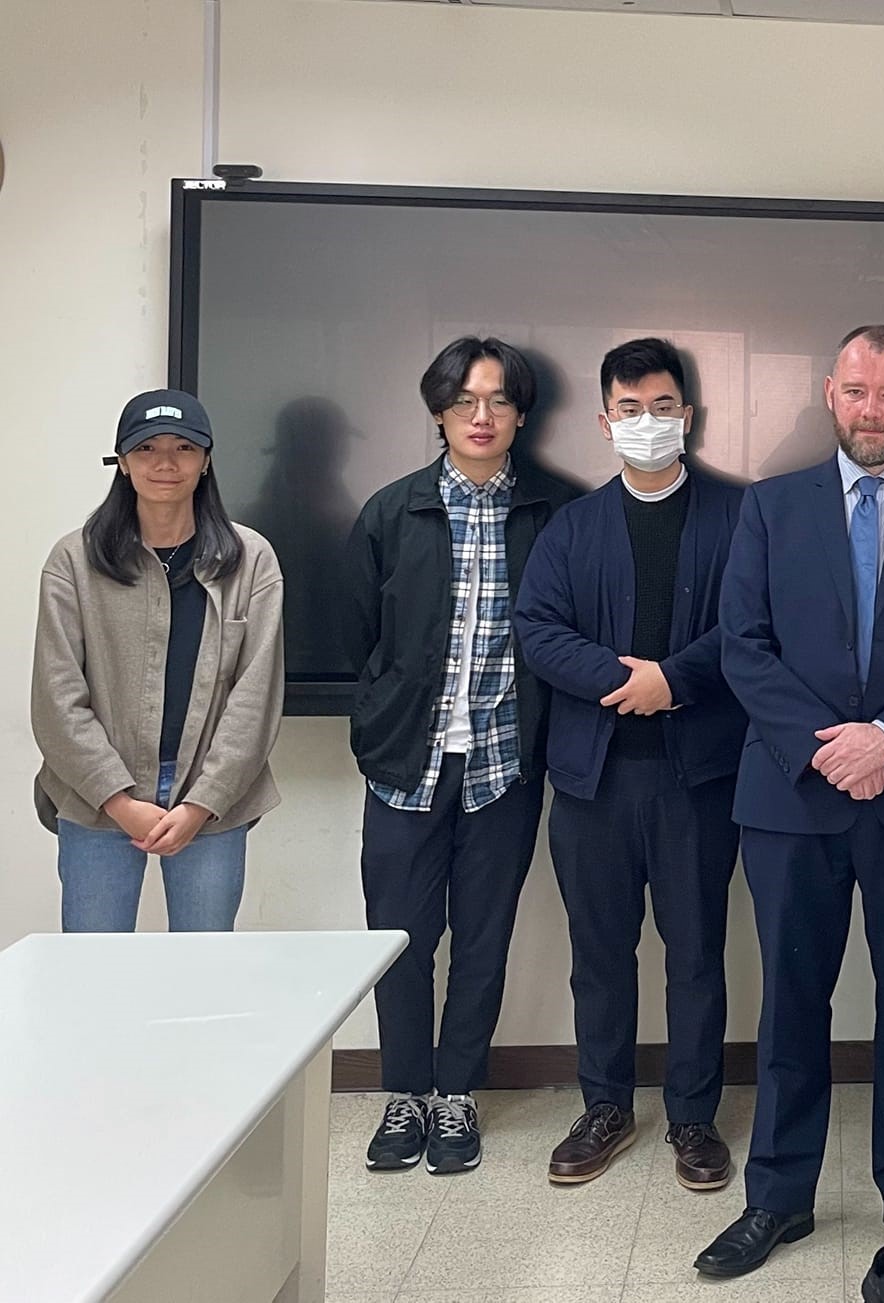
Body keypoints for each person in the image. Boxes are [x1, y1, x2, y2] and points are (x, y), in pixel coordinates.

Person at [698, 325, 884, 1278]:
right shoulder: (771, 508)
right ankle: (778, 1195)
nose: (871, 409)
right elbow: (742, 643)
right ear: (830, 395)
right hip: (795, 793)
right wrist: (830, 749)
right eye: (857, 390)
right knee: (792, 997)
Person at [513, 338, 749, 1189]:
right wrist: (628, 680)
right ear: (606, 418)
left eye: (662, 407)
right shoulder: (572, 525)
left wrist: (675, 681)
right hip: (593, 778)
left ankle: (692, 1117)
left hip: (699, 777)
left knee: (695, 952)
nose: (646, 423)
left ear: (687, 415)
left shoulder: (740, 515)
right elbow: (538, 630)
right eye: (629, 408)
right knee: (600, 951)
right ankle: (605, 1104)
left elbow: (757, 627)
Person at [342, 337, 576, 1176]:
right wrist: (379, 723)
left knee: (483, 938)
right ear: (439, 410)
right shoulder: (391, 510)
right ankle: (403, 1092)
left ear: (522, 414)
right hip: (407, 764)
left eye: (501, 402)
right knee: (400, 940)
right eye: (466, 401)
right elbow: (358, 639)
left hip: (504, 768)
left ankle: (456, 1096)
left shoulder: (554, 515)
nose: (483, 417)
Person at [32, 389, 284, 932]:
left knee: (200, 976)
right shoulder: (73, 561)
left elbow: (255, 698)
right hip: (97, 794)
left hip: (212, 799)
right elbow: (57, 700)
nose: (165, 463)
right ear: (121, 462)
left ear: (206, 460)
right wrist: (119, 800)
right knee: (94, 971)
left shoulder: (250, 559)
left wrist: (201, 803)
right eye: (146, 448)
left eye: (183, 448)